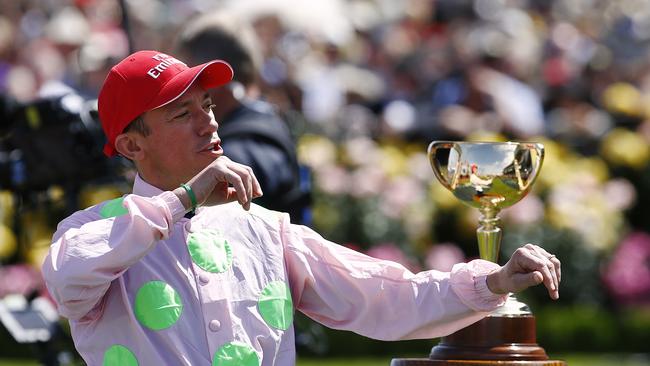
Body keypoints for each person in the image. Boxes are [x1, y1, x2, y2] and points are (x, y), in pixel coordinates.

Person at [41, 50, 561, 366]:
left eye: (209, 106)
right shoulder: (92, 232)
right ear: (132, 146)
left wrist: (492, 282)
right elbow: (69, 282)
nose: (209, 123)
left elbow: (384, 295)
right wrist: (185, 199)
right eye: (183, 114)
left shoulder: (266, 230)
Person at [174, 12, 310, 224]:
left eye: (189, 77)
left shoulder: (253, 139)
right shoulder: (260, 119)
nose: (182, 89)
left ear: (215, 77)